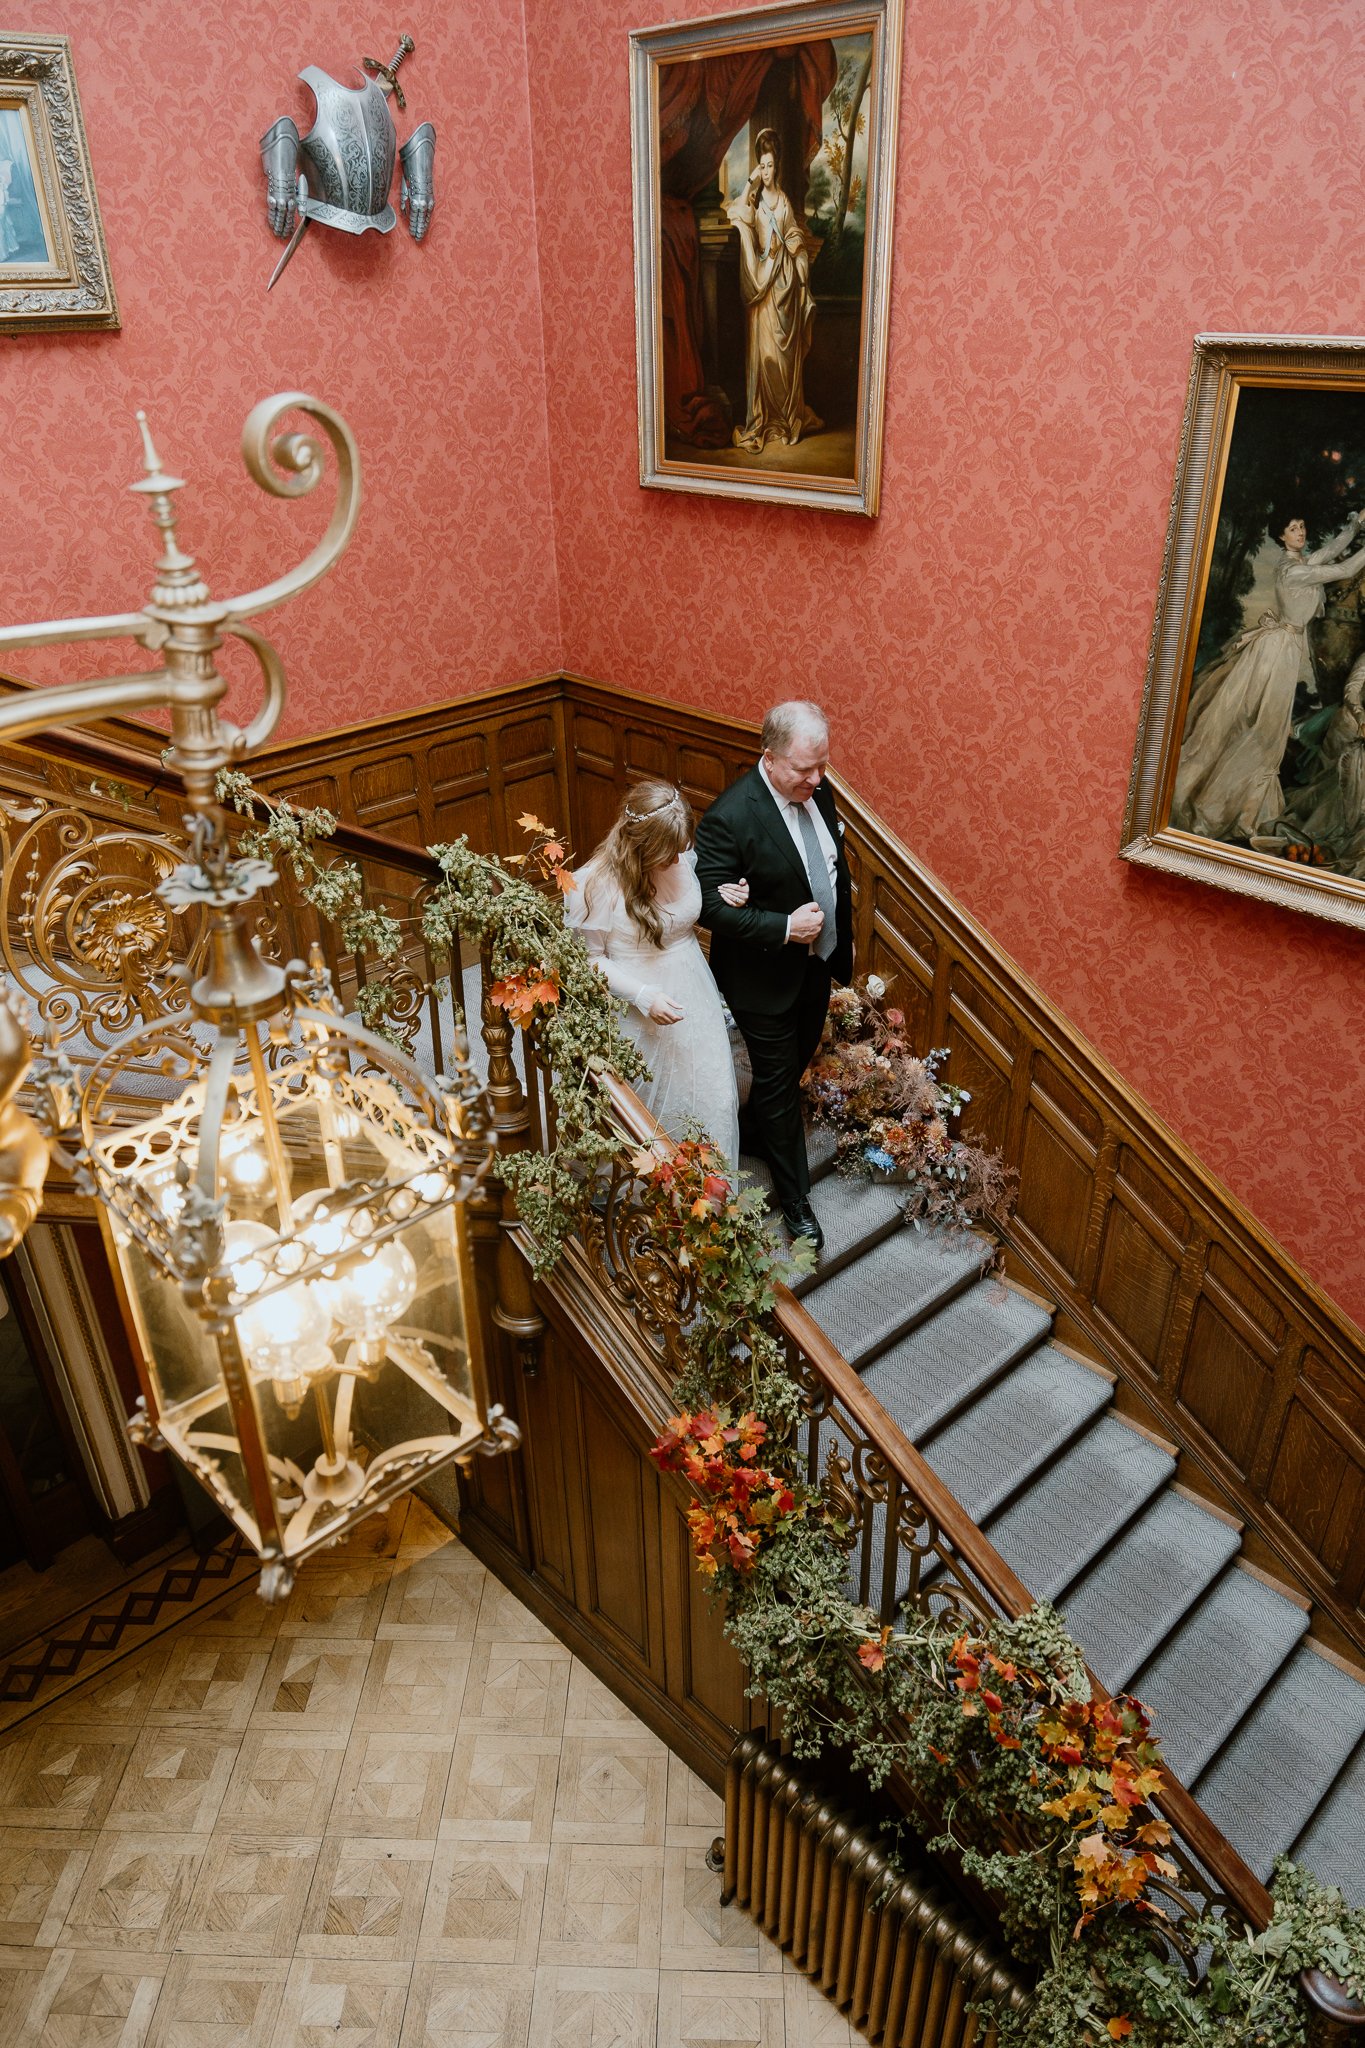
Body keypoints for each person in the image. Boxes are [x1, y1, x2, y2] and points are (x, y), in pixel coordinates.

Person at [694, 701, 852, 1249]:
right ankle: (796, 1202)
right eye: (804, 769)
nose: (817, 778)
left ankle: (756, 1132)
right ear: (769, 756)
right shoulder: (730, 817)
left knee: (799, 1056)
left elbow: (825, 863)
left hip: (815, 967)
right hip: (761, 978)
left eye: (822, 766)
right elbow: (710, 908)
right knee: (781, 1081)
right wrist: (783, 926)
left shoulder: (819, 793)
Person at [565, 780, 747, 1168]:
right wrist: (644, 996)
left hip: (694, 993)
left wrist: (718, 893)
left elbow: (683, 902)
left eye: (681, 850)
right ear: (640, 845)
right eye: (668, 854)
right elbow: (590, 959)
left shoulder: (681, 857)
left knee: (713, 1096)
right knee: (646, 1110)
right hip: (636, 1004)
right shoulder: (592, 886)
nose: (677, 860)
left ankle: (708, 1198)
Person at [1172, 508, 1365, 843]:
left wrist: (1357, 525)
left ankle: (1251, 804)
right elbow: (1346, 568)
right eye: (1293, 529)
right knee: (1266, 730)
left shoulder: (1303, 563)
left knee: (1270, 730)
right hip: (1276, 653)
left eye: (1302, 526)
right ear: (1281, 536)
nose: (1300, 533)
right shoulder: (1292, 570)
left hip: (1286, 647)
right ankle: (1229, 807)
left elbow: (1333, 551)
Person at [724, 128, 822, 454]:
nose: (766, 172)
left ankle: (784, 418)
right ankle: (763, 420)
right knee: (765, 356)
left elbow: (794, 233)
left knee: (784, 359)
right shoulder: (753, 201)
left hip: (785, 286)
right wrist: (751, 180)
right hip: (763, 288)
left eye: (769, 165)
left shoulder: (783, 200)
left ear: (776, 166)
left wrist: (792, 248)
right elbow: (736, 212)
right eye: (761, 166)